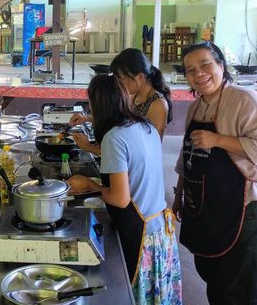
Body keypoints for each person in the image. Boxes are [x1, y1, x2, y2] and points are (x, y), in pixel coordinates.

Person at [172, 41, 257, 305]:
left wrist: (218, 140)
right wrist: (180, 195)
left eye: (205, 64)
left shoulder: (246, 100)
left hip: (244, 207)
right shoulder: (198, 106)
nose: (198, 73)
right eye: (190, 70)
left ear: (221, 65)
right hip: (208, 204)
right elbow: (188, 155)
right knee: (213, 274)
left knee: (237, 288)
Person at [67, 74, 182, 304]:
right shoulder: (143, 125)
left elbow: (120, 199)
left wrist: (89, 185)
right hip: (160, 231)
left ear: (97, 104)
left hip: (141, 235)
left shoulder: (114, 137)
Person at [70, 48, 172, 155]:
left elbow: (149, 149)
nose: (119, 83)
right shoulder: (132, 95)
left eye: (122, 78)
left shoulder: (158, 105)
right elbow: (116, 117)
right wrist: (86, 118)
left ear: (140, 77)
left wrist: (89, 147)